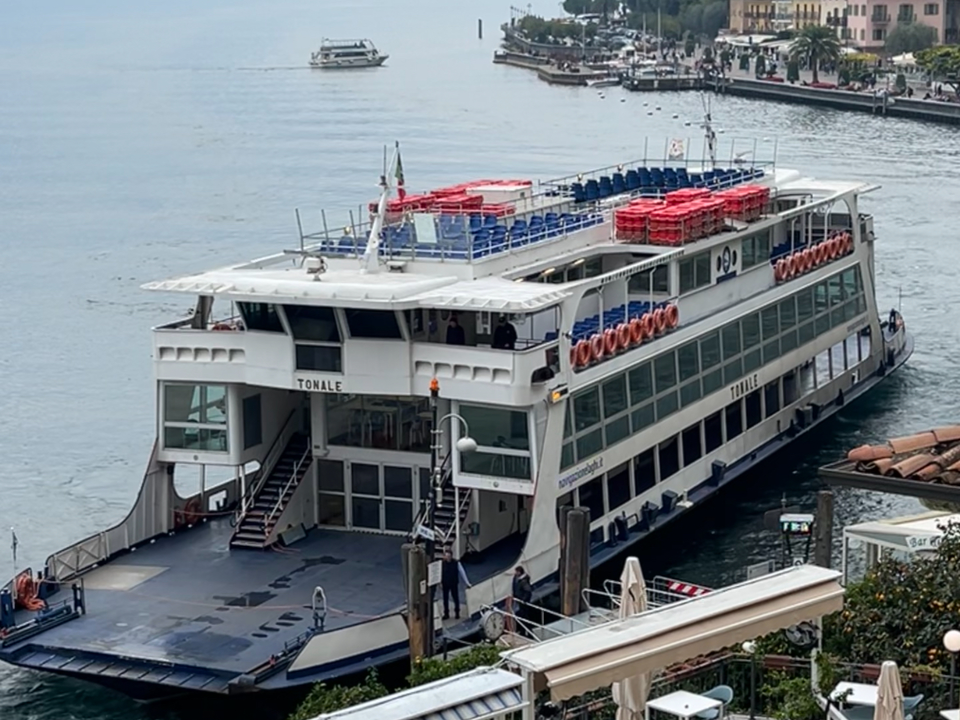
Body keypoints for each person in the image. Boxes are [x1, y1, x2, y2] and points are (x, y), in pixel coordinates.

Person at [440, 546, 470, 620]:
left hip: (453, 583)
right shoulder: (442, 564)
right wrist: (439, 583)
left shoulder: (456, 563)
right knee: (445, 599)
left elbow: (462, 572)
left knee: (456, 598)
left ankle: (457, 612)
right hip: (445, 583)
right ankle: (446, 613)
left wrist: (467, 583)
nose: (447, 557)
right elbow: (439, 574)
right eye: (446, 556)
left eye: (448, 556)